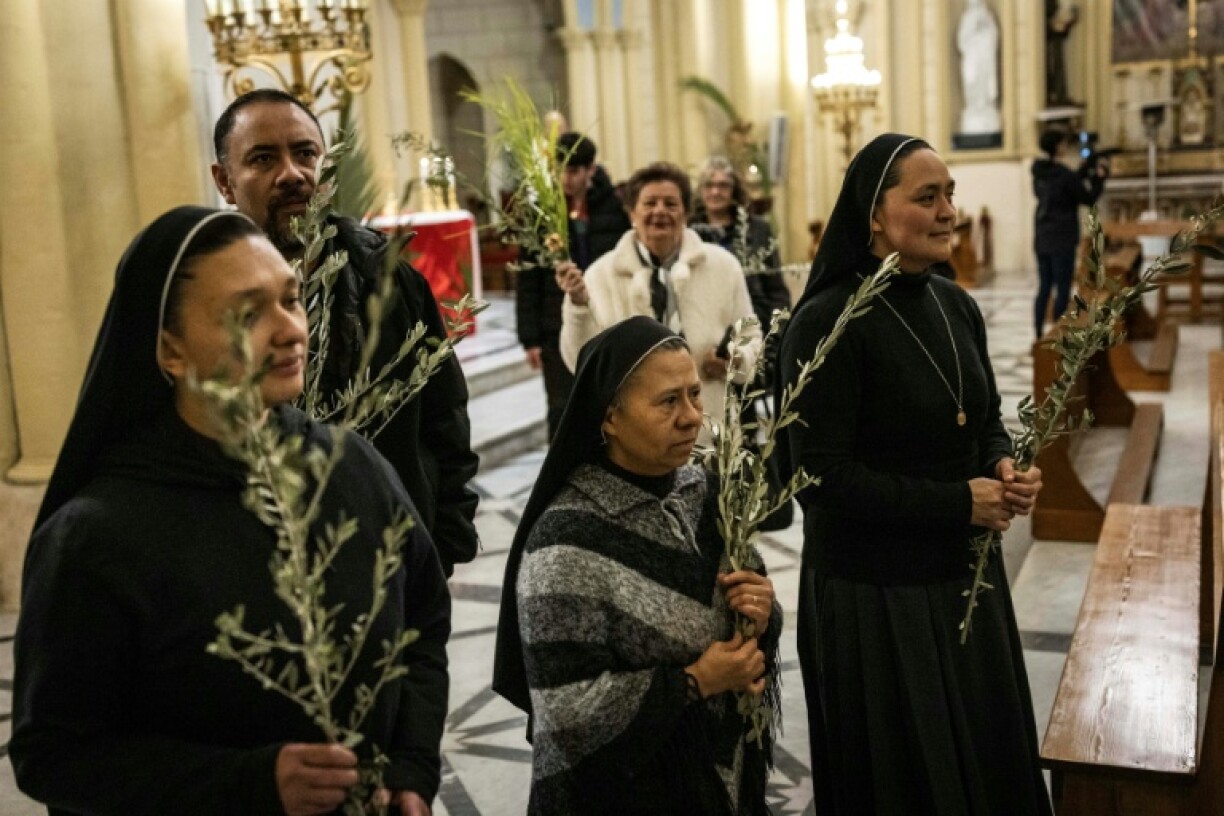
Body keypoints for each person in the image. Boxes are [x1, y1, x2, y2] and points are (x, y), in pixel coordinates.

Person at [10, 207, 450, 815]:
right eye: (248, 313)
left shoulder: (353, 468)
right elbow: (54, 755)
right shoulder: (96, 536)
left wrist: (411, 767)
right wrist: (252, 784)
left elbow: (423, 620)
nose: (290, 330)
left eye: (291, 300)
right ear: (171, 350)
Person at [777, 134, 1050, 815]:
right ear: (874, 214)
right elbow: (821, 480)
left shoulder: (955, 304)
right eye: (926, 197)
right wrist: (958, 503)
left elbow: (981, 416)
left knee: (982, 767)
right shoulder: (827, 324)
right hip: (876, 595)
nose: (947, 210)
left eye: (949, 194)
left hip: (961, 577)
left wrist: (1003, 463)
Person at [492, 316, 779, 814]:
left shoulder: (704, 491)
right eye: (669, 401)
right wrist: (695, 681)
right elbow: (566, 713)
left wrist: (761, 610)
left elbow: (745, 608)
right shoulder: (566, 543)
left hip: (717, 781)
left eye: (694, 394)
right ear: (609, 417)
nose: (692, 416)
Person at [211, 88, 479, 576]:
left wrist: (441, 548)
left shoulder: (388, 276)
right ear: (224, 182)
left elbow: (446, 418)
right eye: (263, 158)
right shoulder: (206, 299)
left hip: (392, 560)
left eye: (305, 153)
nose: (292, 174)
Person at [556, 162, 761, 442]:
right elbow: (577, 361)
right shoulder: (600, 276)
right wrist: (578, 306)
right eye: (649, 203)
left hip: (709, 432)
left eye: (671, 203)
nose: (660, 211)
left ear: (686, 212)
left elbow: (751, 338)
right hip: (635, 439)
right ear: (632, 212)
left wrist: (734, 362)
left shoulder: (723, 267)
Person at [515, 132, 630, 439]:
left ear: (591, 169)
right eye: (562, 170)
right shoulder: (543, 212)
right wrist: (530, 338)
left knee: (608, 405)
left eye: (575, 171)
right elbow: (529, 278)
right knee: (561, 408)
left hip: (605, 319)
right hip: (556, 324)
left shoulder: (615, 207)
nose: (567, 178)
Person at [689, 156, 791, 335]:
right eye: (709, 185)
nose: (715, 192)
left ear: (734, 190)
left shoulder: (759, 229)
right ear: (700, 190)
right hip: (705, 326)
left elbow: (776, 288)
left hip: (753, 321)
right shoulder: (689, 232)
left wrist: (777, 334)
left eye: (723, 186)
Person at [1032, 127, 1108, 339]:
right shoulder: (1064, 174)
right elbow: (1087, 197)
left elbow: (1063, 186)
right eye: (1064, 143)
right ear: (1057, 147)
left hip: (1042, 236)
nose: (1066, 146)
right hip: (1062, 237)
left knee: (1045, 287)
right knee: (1063, 287)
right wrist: (1099, 178)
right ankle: (1058, 336)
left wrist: (1082, 171)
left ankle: (1038, 335)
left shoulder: (1038, 172)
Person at [957, 0, 1001, 135]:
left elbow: (994, 36)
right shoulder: (966, 18)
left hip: (985, 58)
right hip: (973, 58)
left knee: (984, 84)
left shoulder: (987, 16)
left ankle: (984, 107)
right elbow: (961, 41)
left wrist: (985, 36)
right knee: (972, 83)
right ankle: (975, 107)